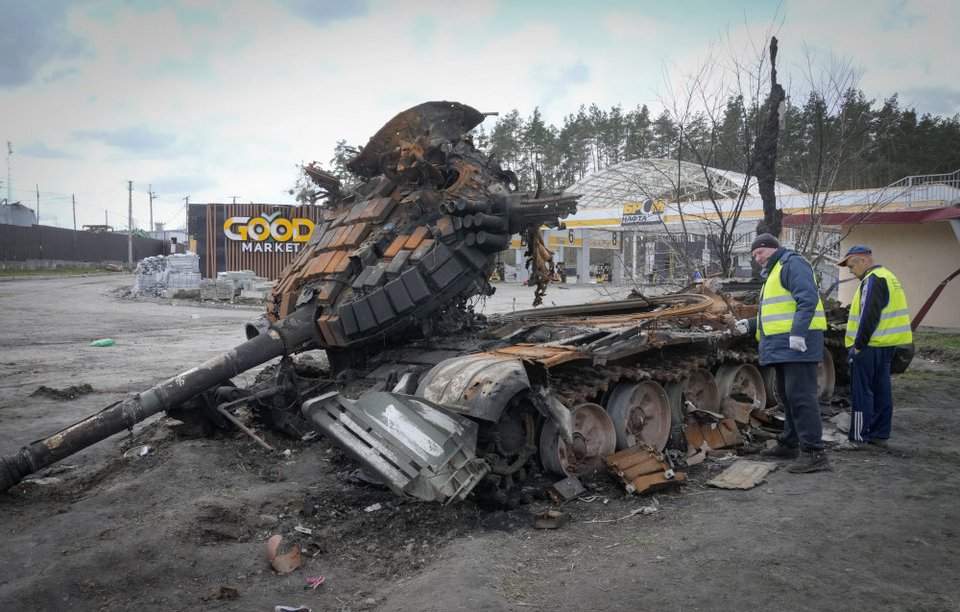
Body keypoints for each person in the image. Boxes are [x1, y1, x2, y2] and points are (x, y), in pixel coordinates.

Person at [737, 233, 830, 473]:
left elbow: (807, 299)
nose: (757, 258)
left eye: (760, 252)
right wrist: (750, 324)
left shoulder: (792, 263)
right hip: (781, 346)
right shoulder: (775, 272)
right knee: (788, 397)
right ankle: (790, 443)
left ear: (772, 248)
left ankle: (814, 452)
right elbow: (778, 312)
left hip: (797, 344)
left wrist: (798, 333)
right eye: (754, 255)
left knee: (801, 397)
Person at [838, 245, 912, 447]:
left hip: (870, 346)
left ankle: (859, 437)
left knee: (862, 393)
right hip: (887, 345)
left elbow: (869, 315)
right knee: (882, 390)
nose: (850, 271)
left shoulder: (873, 279)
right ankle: (880, 435)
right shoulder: (888, 276)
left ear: (863, 261)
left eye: (851, 265)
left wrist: (859, 346)